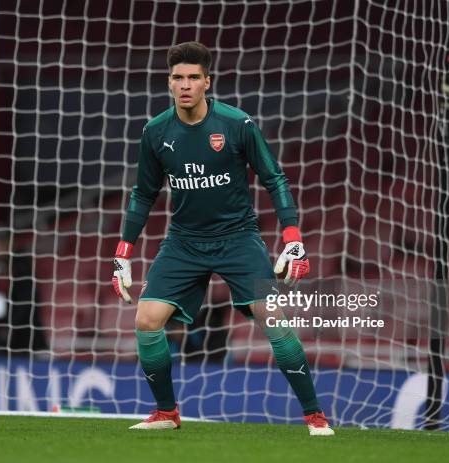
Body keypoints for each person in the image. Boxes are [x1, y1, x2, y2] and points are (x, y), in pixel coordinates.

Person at [112, 42, 334, 436]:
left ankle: (315, 416)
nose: (185, 85)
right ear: (169, 83)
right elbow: (143, 194)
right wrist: (123, 254)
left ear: (206, 82)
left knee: (272, 317)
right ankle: (166, 413)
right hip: (183, 241)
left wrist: (293, 238)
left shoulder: (236, 124)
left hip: (238, 238)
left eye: (193, 77)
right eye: (178, 78)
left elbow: (274, 178)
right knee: (147, 320)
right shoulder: (156, 131)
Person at [0, 230, 47, 354]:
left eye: (1, 242)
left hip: (24, 341)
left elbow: (24, 304)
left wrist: (8, 329)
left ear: (11, 243)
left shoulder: (22, 268)